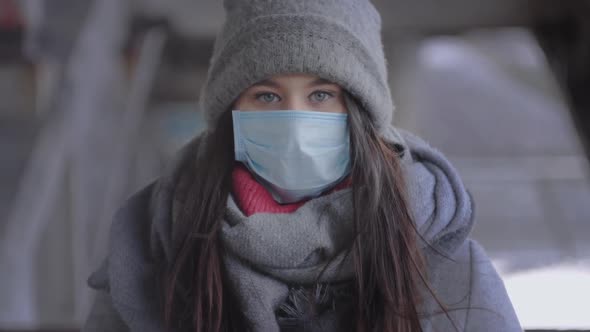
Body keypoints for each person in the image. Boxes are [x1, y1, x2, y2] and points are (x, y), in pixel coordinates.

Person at [82, 0, 522, 331]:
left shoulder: (441, 261)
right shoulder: (153, 249)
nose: (294, 121)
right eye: (267, 96)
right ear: (230, 111)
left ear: (361, 113)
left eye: (321, 96)